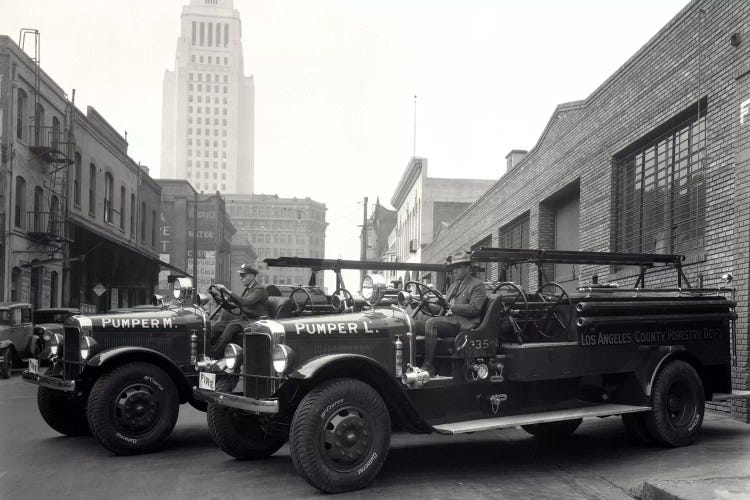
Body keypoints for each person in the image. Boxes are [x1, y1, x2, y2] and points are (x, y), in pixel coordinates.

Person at [421, 250, 486, 377]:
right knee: (413, 324)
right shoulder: (452, 286)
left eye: (458, 267)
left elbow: (474, 309)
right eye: (453, 268)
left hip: (465, 323)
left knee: (431, 324)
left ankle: (428, 366)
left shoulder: (477, 285)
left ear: (468, 267)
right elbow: (443, 309)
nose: (454, 271)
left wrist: (452, 307)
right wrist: (426, 305)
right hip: (450, 321)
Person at [209, 263, 268, 358]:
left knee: (231, 327)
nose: (241, 278)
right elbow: (239, 301)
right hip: (245, 319)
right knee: (217, 326)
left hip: (257, 321)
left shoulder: (259, 289)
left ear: (252, 276)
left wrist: (227, 290)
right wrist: (221, 296)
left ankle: (213, 356)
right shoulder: (248, 289)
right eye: (240, 275)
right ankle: (205, 351)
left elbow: (246, 302)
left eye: (243, 275)